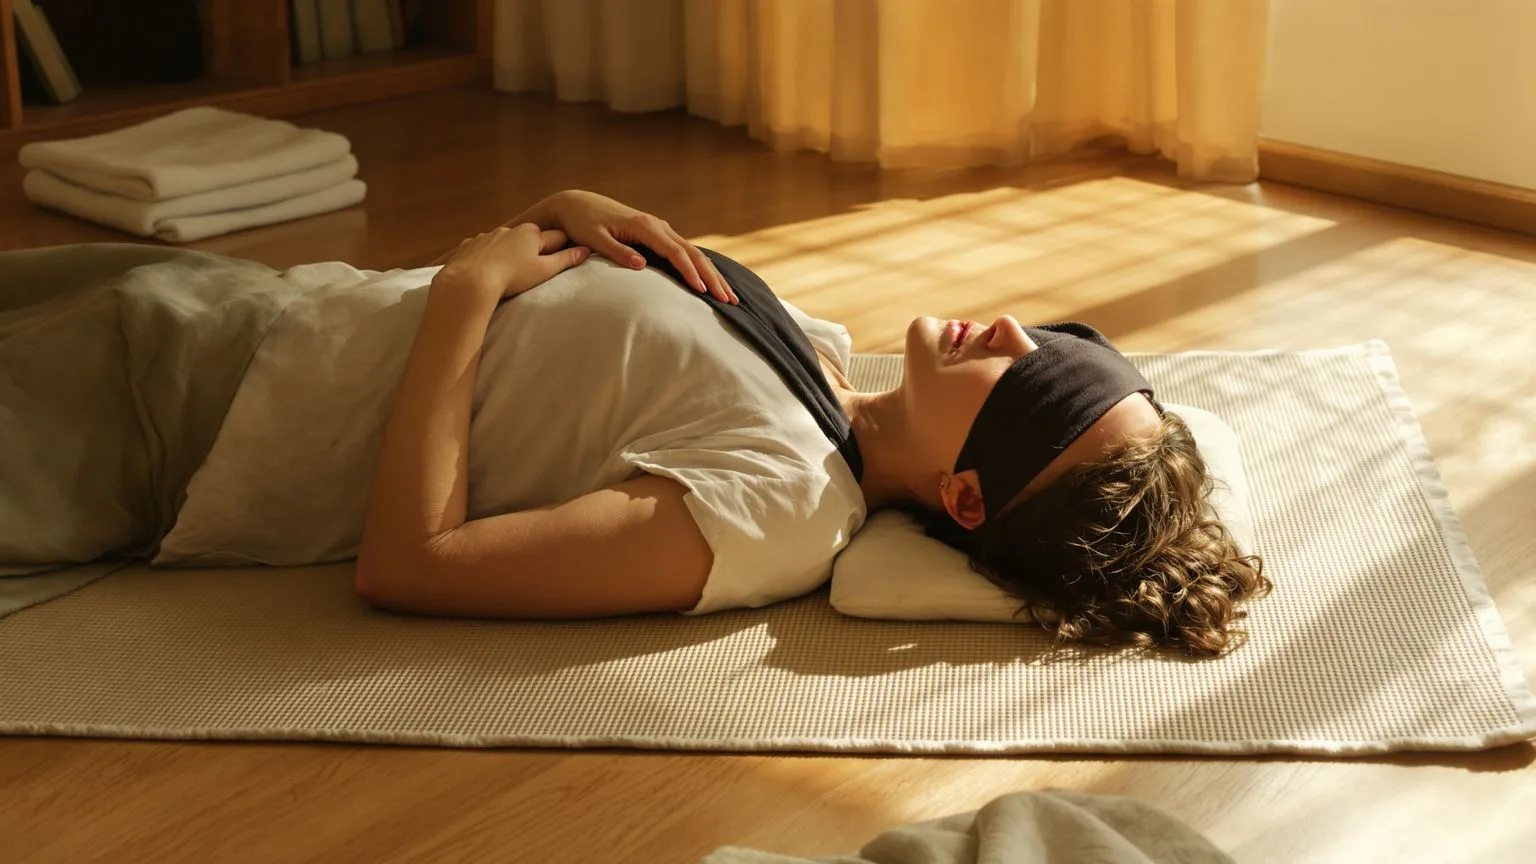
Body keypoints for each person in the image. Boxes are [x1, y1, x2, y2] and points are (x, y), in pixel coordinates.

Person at [354, 190, 1269, 655]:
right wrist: (565, 209)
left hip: (236, 405)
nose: (1010, 329)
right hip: (302, 312)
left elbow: (412, 564)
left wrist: (463, 295)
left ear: (964, 494)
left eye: (1032, 386)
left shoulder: (782, 506)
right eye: (1059, 342)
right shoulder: (820, 362)